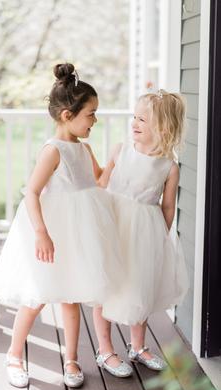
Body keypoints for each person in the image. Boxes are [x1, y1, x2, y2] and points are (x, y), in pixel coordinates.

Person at [0, 63, 132, 388]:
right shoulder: (53, 151)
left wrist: (112, 161)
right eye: (91, 114)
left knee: (72, 298)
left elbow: (98, 182)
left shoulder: (83, 149)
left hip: (81, 233)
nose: (95, 120)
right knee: (36, 296)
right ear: (68, 115)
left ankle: (71, 359)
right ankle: (14, 354)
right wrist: (41, 232)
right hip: (53, 233)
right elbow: (32, 193)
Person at [93, 89, 189, 372]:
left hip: (146, 235)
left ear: (163, 127)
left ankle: (138, 347)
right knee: (106, 286)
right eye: (134, 117)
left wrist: (162, 236)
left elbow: (168, 206)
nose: (134, 123)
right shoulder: (121, 150)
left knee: (140, 288)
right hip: (114, 225)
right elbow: (102, 183)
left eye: (142, 120)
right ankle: (105, 349)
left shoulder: (169, 167)